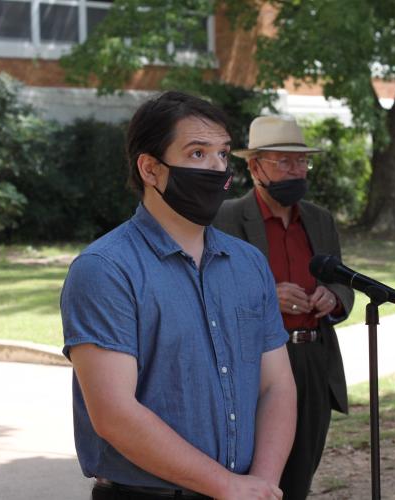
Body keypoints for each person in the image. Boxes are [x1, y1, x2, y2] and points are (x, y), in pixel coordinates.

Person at [60, 92, 297, 500]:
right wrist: (226, 486)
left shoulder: (249, 264)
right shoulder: (104, 269)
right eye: (198, 153)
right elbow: (114, 414)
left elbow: (277, 386)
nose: (217, 167)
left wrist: (261, 485)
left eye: (222, 154)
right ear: (151, 168)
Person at [213, 115, 354, 500]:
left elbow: (340, 278)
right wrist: (267, 296)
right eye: (284, 162)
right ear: (254, 166)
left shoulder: (320, 219)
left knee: (299, 478)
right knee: (256, 474)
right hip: (255, 362)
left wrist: (334, 296)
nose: (296, 170)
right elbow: (209, 289)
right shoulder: (225, 218)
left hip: (312, 358)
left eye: (302, 162)